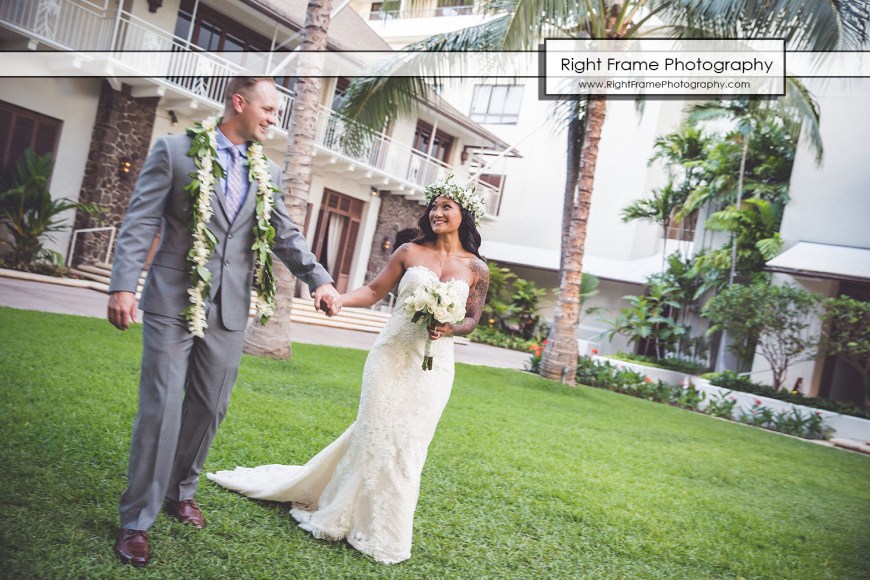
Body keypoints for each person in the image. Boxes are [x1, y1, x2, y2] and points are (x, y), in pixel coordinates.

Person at [107, 77, 341, 568]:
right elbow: (141, 220)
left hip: (230, 307)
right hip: (173, 300)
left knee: (210, 406)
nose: (274, 119)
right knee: (161, 407)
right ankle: (137, 520)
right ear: (239, 103)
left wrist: (318, 279)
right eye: (269, 109)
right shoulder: (174, 152)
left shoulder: (268, 172)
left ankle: (180, 490)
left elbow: (285, 234)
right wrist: (123, 284)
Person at [207, 177, 490, 564]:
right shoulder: (409, 251)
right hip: (391, 356)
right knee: (374, 433)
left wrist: (449, 327)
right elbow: (373, 292)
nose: (437, 213)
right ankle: (342, 513)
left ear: (463, 214)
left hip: (434, 367)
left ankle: (385, 531)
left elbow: (472, 319)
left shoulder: (476, 268)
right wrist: (339, 299)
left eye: (446, 207)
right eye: (434, 206)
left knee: (409, 445)